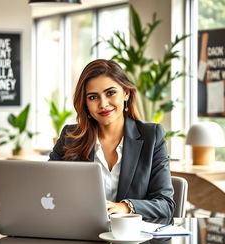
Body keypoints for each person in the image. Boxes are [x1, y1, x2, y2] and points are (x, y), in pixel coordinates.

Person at [49, 59, 175, 219]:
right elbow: (47, 189)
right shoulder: (70, 137)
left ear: (126, 93)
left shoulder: (152, 136)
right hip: (81, 232)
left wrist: (125, 207)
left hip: (132, 239)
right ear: (85, 103)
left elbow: (165, 204)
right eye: (93, 97)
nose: (103, 104)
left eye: (110, 93)